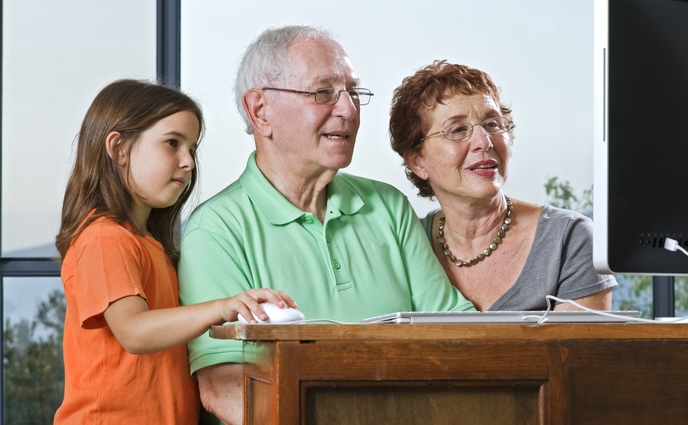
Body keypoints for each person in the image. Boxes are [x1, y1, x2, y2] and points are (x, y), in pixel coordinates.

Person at [178, 26, 474, 424]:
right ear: (260, 111)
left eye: (353, 93)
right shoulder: (215, 231)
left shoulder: (388, 206)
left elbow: (459, 336)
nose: (349, 110)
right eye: (323, 93)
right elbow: (225, 388)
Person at [53, 79, 293, 424]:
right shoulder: (103, 238)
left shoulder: (149, 245)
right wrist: (222, 307)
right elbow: (134, 331)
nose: (188, 162)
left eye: (192, 149)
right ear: (119, 149)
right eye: (172, 144)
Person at [389, 60, 617, 312]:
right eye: (457, 130)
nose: (484, 141)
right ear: (417, 160)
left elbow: (580, 350)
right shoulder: (407, 245)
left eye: (492, 124)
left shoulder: (568, 238)